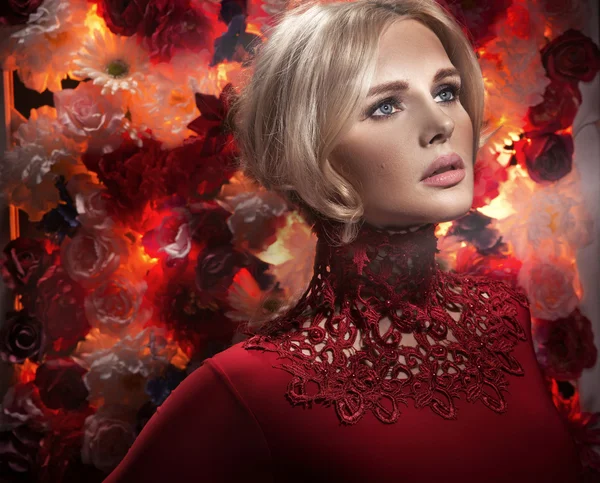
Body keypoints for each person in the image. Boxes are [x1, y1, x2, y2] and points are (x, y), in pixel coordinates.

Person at [103, 0, 585, 481]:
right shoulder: (249, 387)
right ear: (310, 147)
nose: (442, 125)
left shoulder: (504, 315)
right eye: (386, 106)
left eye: (445, 91)